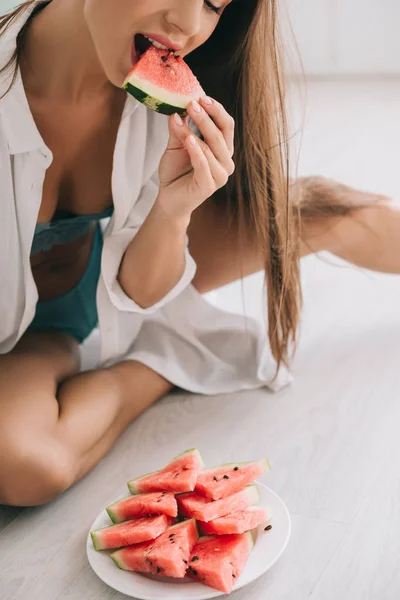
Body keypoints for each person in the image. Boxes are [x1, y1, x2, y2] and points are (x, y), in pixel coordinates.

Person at [0, 0, 399, 508]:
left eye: (215, 4)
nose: (188, 26)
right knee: (29, 468)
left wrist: (172, 210)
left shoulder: (156, 102)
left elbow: (142, 292)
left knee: (340, 219)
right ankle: (162, 362)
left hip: (121, 274)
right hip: (33, 335)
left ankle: (284, 217)